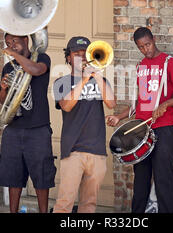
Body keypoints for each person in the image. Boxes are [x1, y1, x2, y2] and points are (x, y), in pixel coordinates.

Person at [107, 27, 173, 213]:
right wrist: (118, 117)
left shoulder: (169, 63)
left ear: (154, 40)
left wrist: (166, 104)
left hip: (164, 129)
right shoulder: (140, 66)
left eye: (148, 44)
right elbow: (138, 103)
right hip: (141, 130)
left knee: (164, 179)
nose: (146, 50)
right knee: (141, 180)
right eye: (141, 47)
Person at [52, 36, 116, 213]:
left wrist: (98, 75)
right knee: (64, 203)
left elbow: (111, 103)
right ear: (68, 58)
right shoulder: (61, 82)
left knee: (89, 205)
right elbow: (66, 105)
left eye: (84, 54)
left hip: (97, 150)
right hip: (73, 150)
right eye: (76, 54)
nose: (81, 57)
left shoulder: (100, 79)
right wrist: (84, 80)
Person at [0, 33, 56, 213]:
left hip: (38, 128)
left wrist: (14, 54)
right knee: (12, 176)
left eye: (14, 41)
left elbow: (36, 71)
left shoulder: (42, 57)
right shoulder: (8, 67)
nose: (11, 45)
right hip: (13, 129)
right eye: (8, 43)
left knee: (41, 176)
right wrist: (3, 88)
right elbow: (2, 100)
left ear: (26, 40)